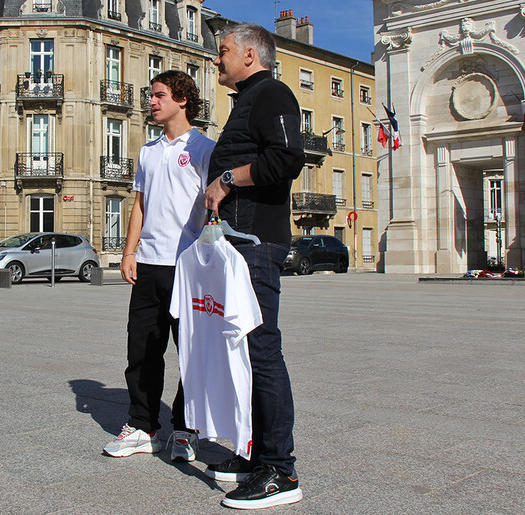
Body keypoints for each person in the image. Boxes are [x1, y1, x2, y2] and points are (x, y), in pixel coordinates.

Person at [201, 23, 305, 510]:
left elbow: (286, 158)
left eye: (222, 51)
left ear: (249, 54)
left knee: (262, 351)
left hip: (256, 242)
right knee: (245, 351)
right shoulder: (246, 100)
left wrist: (225, 178)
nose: (216, 59)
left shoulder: (272, 93)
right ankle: (258, 456)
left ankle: (281, 472)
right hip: (238, 240)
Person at [102, 70, 215, 462]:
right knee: (142, 349)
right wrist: (129, 252)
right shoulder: (148, 150)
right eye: (151, 95)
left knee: (191, 350)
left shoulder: (204, 148)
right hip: (148, 265)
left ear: (182, 100)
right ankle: (142, 424)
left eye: (159, 95)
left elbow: (212, 207)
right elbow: (140, 204)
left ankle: (186, 429)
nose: (151, 101)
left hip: (187, 266)